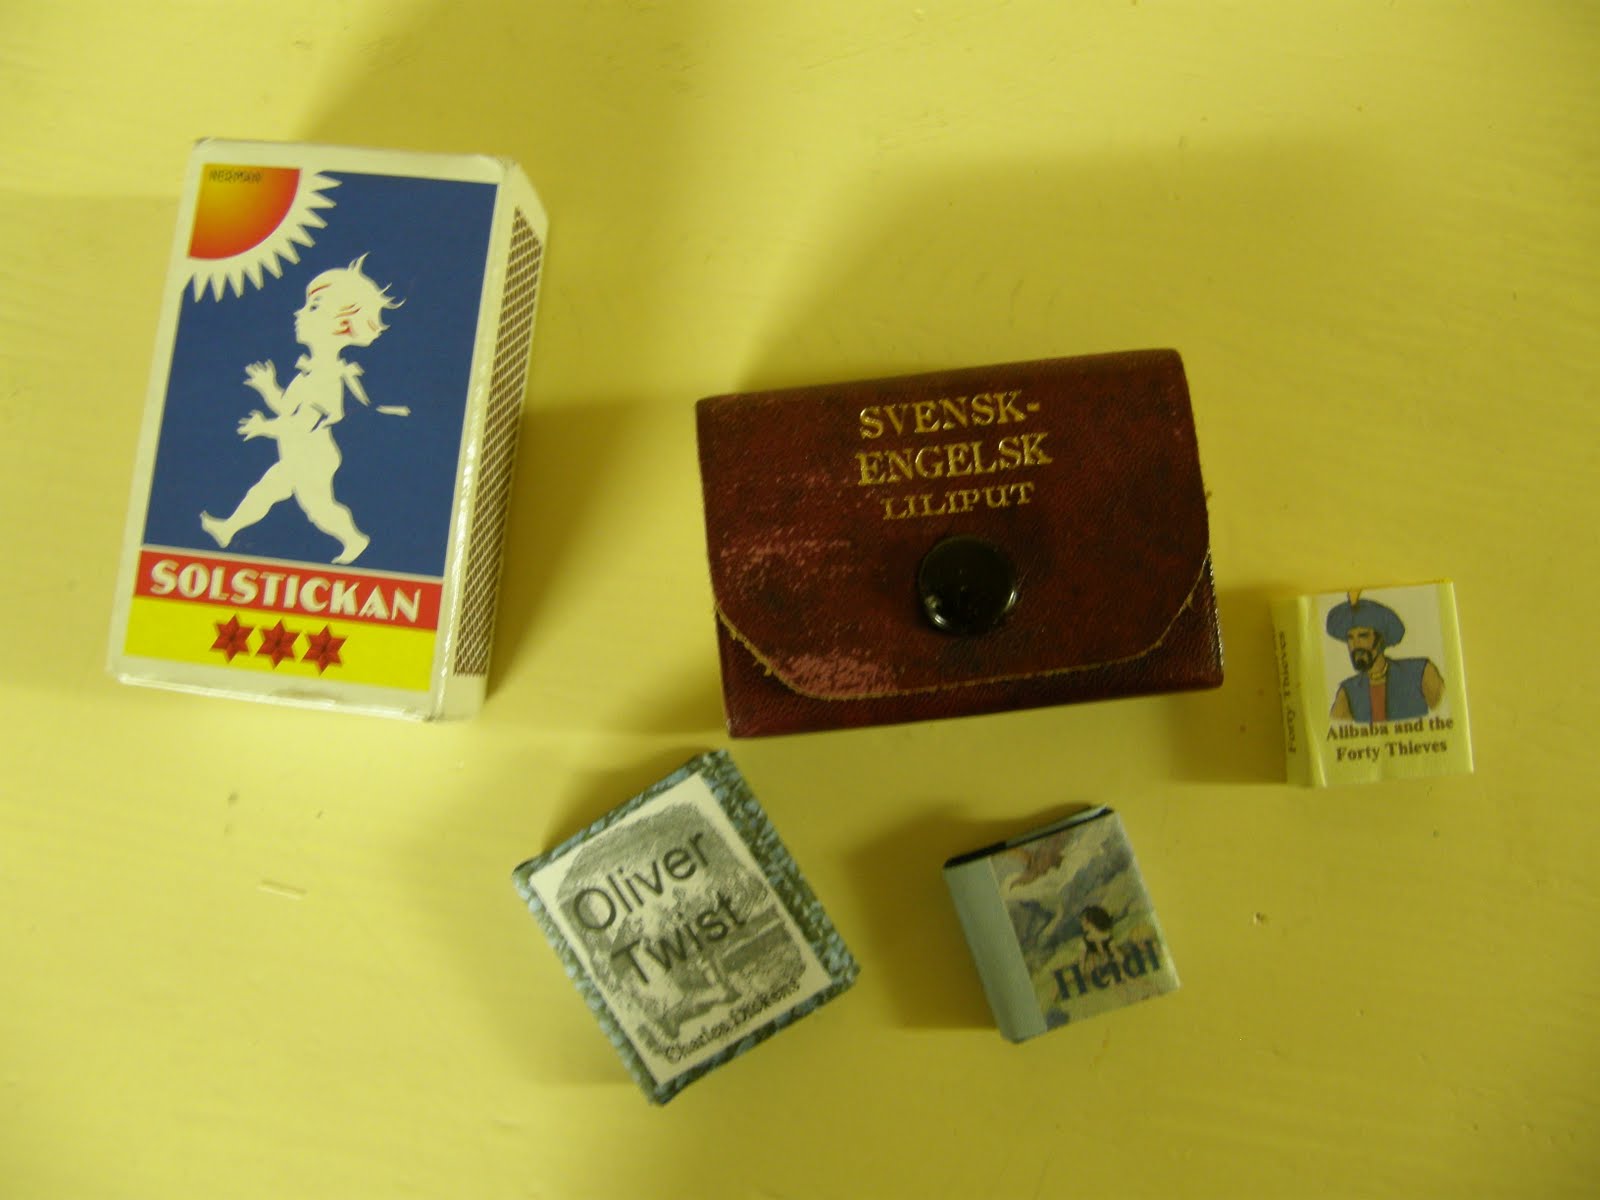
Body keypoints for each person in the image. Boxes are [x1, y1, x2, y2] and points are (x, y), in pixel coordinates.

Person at [201, 256, 405, 565]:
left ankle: (354, 539)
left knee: (318, 508)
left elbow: (301, 424)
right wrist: (268, 387)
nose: (298, 313)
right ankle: (228, 529)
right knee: (267, 490)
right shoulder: (310, 371)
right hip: (298, 455)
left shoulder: (327, 377)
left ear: (341, 325)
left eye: (313, 307)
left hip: (314, 459)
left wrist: (264, 428)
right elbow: (287, 408)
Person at [1326, 593, 1444, 723]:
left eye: (1363, 636)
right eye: (1350, 638)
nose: (1355, 645)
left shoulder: (1421, 673)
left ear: (1380, 641)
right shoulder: (1348, 692)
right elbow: (1335, 728)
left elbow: (1445, 713)